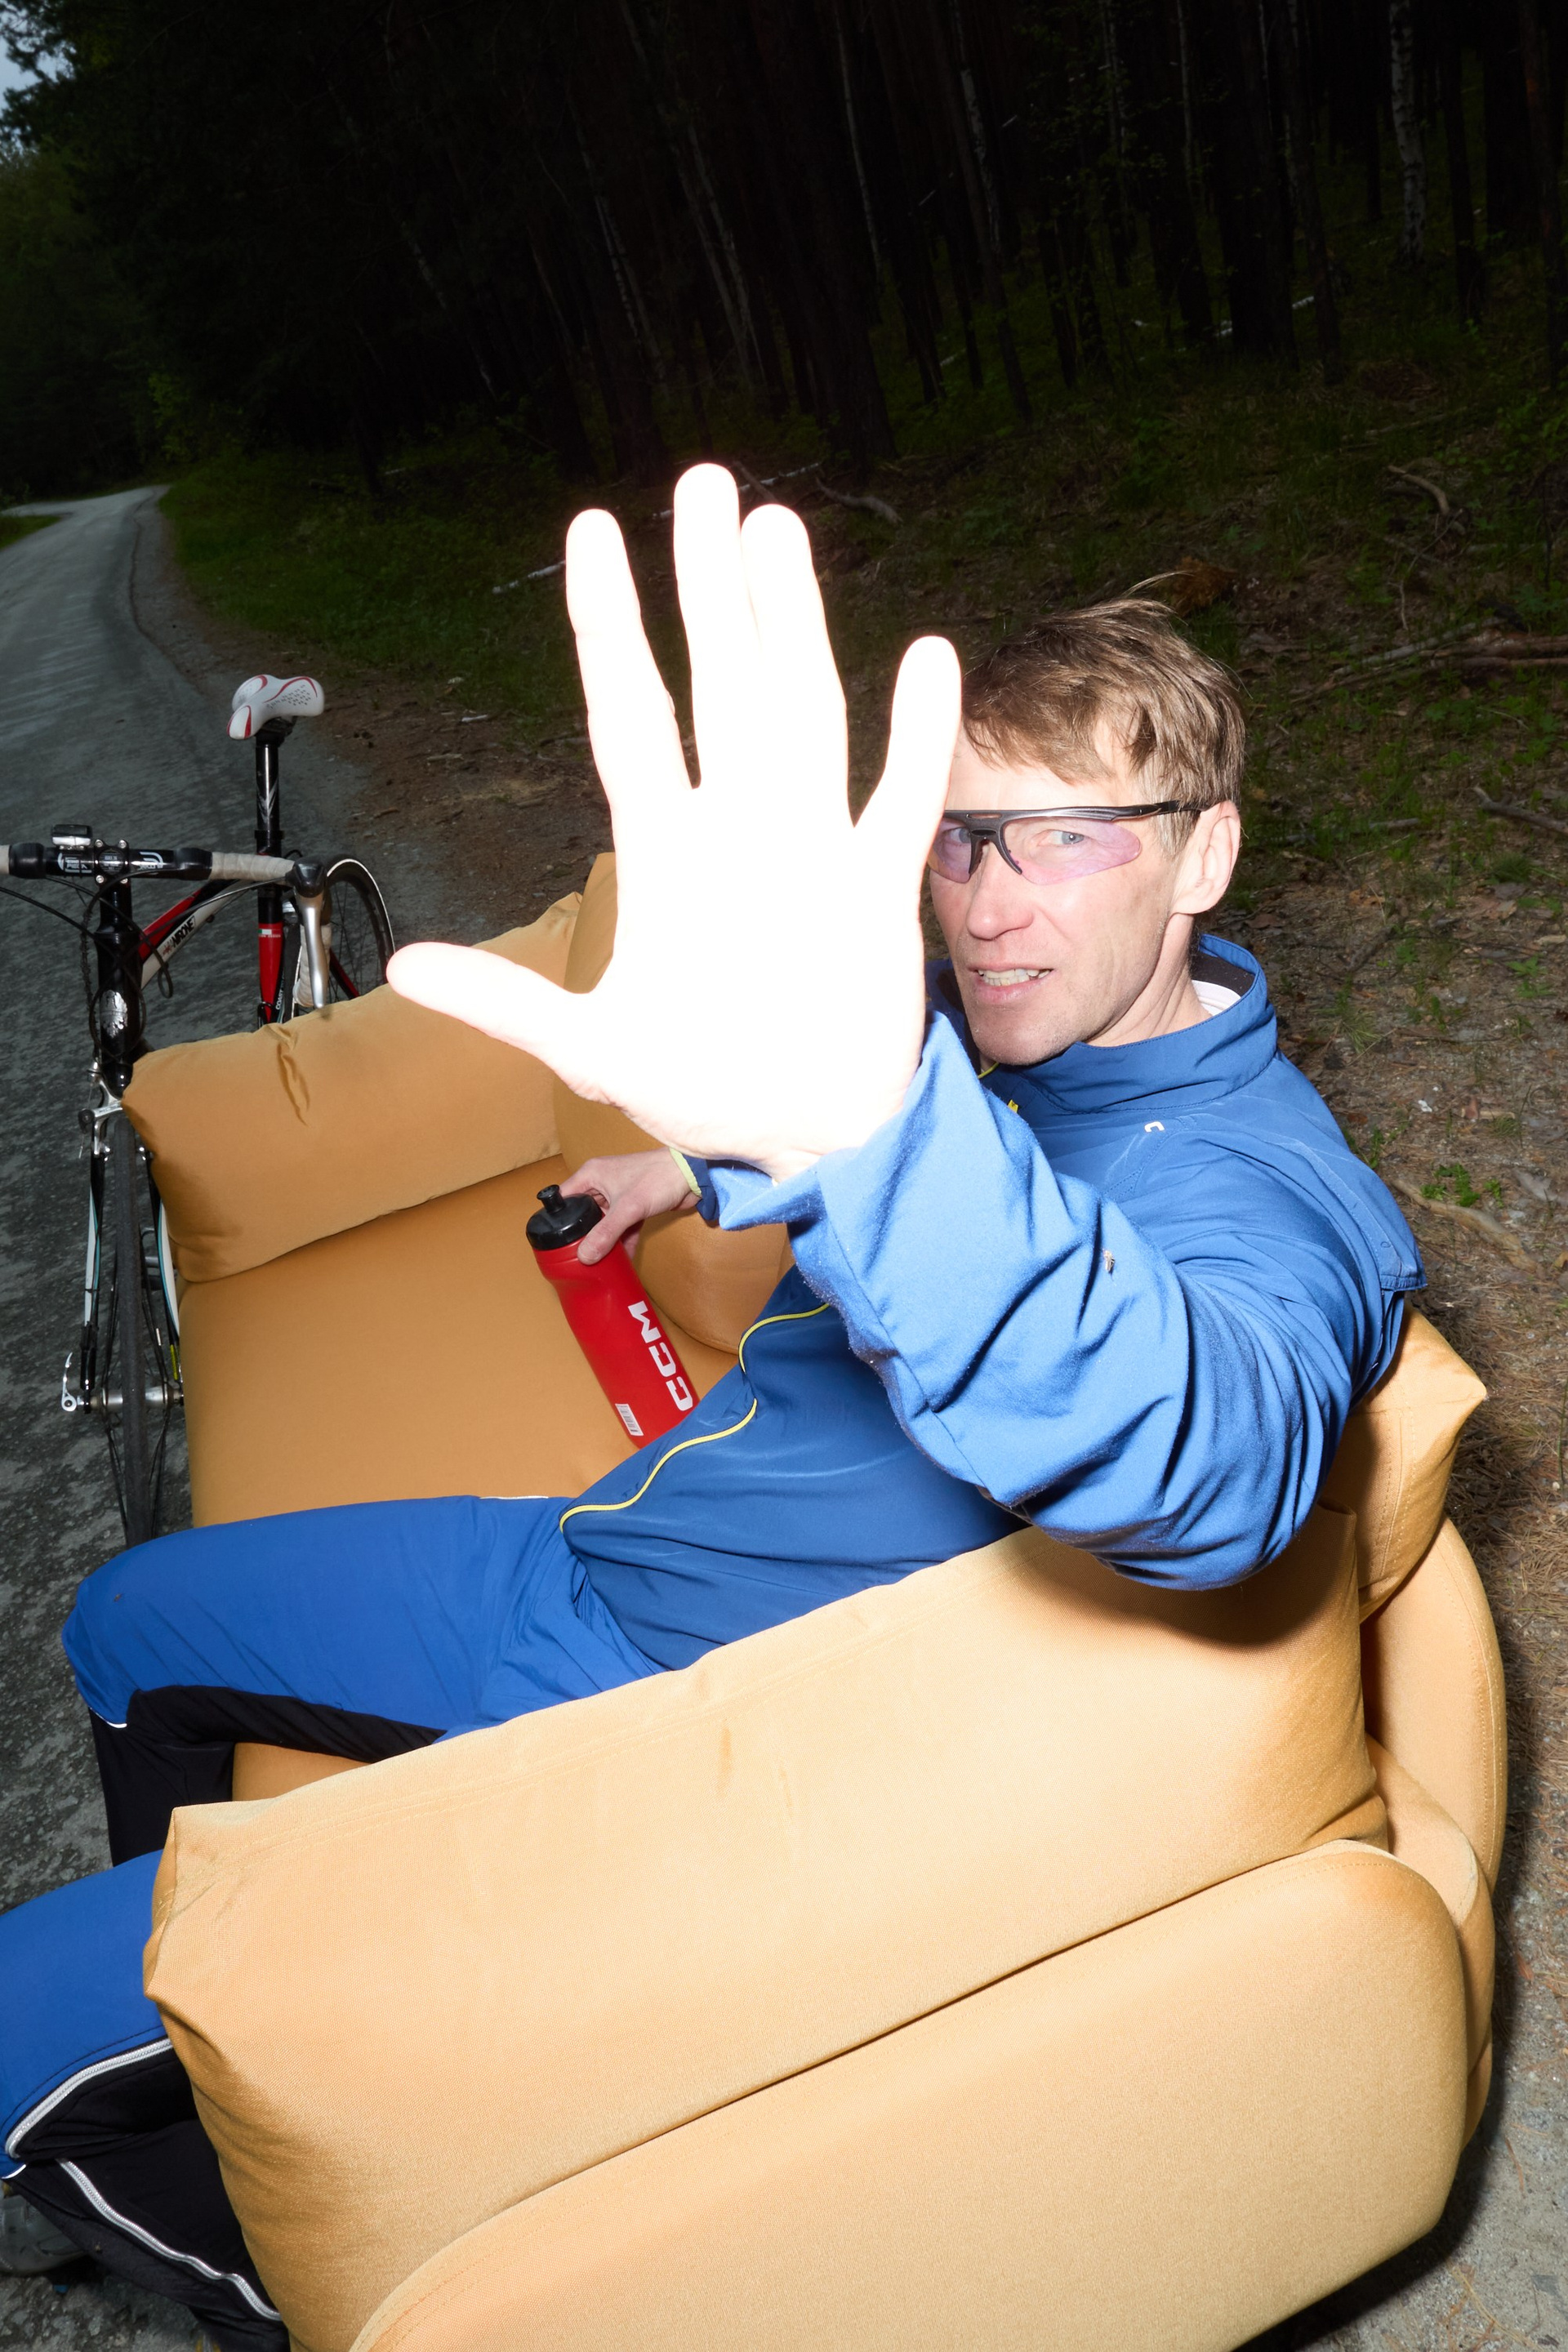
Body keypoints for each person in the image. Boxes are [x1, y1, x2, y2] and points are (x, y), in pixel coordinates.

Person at [0, 468, 1419, 2349]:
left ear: (1208, 854)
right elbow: (890, 1131)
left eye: (1067, 838)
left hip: (674, 1728)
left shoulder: (1277, 1201)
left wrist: (874, 1136)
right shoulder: (1031, 1041)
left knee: (12, 2025)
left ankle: (260, 2248)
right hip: (600, 1554)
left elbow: (1207, 1454)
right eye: (958, 840)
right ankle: (228, 2043)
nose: (990, 907)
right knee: (122, 1621)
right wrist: (702, 1162)